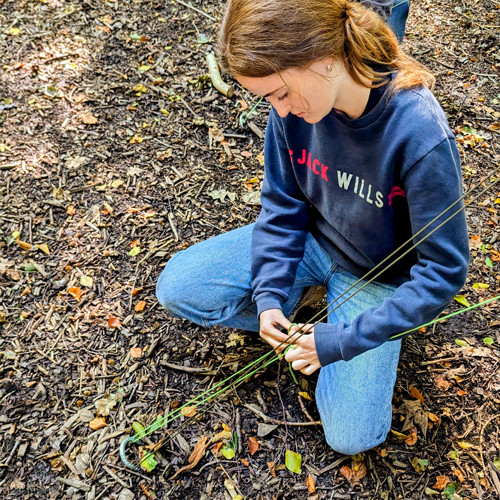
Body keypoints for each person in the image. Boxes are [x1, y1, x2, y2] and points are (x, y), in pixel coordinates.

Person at [156, 0, 469, 455]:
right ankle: (303, 315)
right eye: (268, 100)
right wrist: (267, 295)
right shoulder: (294, 112)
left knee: (351, 436)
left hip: (377, 279)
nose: (278, 112)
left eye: (279, 94)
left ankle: (337, 332)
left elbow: (443, 273)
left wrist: (345, 340)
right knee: (180, 287)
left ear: (325, 58)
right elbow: (282, 205)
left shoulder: (418, 132)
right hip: (313, 245)